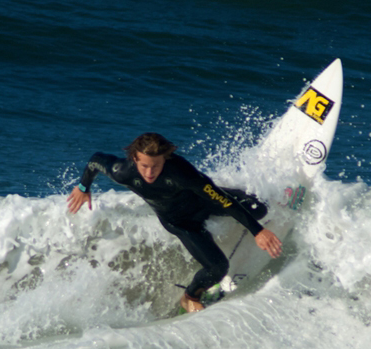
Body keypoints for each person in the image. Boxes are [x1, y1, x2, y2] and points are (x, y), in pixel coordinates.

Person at [67, 133, 282, 312]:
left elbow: (222, 199)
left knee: (259, 209)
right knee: (217, 269)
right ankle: (190, 296)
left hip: (203, 203)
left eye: (156, 166)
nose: (149, 173)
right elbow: (96, 159)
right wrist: (83, 187)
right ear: (134, 158)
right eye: (144, 166)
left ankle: (249, 220)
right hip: (181, 222)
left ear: (166, 159)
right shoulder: (122, 172)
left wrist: (257, 231)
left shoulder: (183, 173)